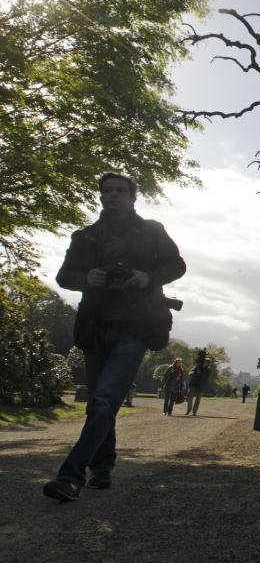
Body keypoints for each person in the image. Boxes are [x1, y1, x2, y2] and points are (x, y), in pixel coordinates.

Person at [43, 172, 185, 502]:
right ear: (101, 196)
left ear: (134, 197)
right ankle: (103, 468)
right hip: (95, 326)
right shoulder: (85, 237)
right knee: (99, 403)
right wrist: (86, 277)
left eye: (121, 190)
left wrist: (147, 277)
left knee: (105, 400)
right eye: (108, 190)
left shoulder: (152, 231)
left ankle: (71, 476)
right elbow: (65, 276)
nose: (114, 195)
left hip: (135, 328)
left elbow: (177, 265)